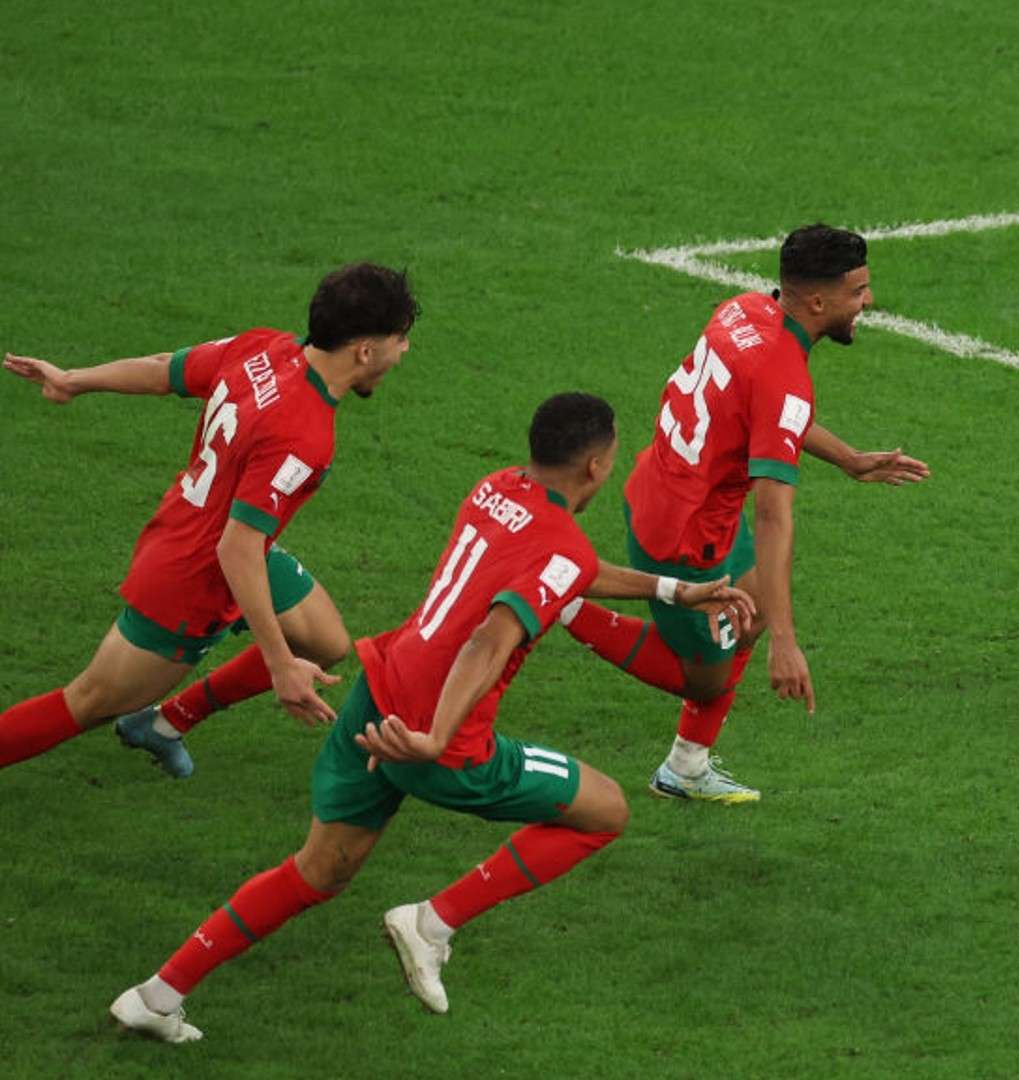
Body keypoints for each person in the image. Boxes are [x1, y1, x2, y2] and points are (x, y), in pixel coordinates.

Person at [109, 392, 755, 1042]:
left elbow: (572, 569)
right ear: (594, 466)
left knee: (318, 869)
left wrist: (673, 590)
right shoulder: (561, 547)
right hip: (437, 740)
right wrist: (438, 737)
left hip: (379, 694)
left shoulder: (498, 487)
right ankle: (431, 924)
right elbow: (489, 640)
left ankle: (156, 996)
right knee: (605, 810)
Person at [0, 263, 419, 774]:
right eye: (400, 339)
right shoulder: (303, 434)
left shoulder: (263, 347)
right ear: (365, 351)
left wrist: (74, 380)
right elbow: (236, 549)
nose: (404, 350)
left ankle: (163, 723)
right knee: (86, 702)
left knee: (324, 641)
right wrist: (279, 665)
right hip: (191, 575)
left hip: (212, 530)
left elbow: (164, 368)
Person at [560, 224, 929, 803]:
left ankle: (686, 767)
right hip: (687, 534)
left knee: (749, 610)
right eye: (858, 291)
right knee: (703, 679)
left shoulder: (744, 309)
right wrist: (787, 641)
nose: (868, 301)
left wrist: (849, 459)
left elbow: (762, 412)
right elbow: (774, 515)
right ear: (818, 302)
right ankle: (561, 604)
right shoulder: (784, 376)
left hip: (665, 487)